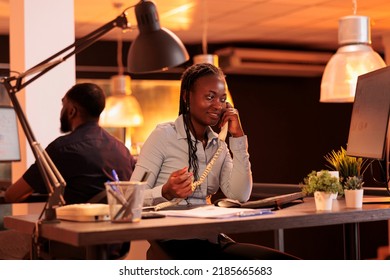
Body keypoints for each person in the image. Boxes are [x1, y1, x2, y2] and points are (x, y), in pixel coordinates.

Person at [130, 63, 298, 260]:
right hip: (175, 245)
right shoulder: (164, 136)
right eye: (209, 97)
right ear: (186, 97)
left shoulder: (218, 145)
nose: (218, 105)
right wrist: (165, 192)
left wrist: (237, 138)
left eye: (222, 99)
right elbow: (130, 198)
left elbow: (240, 194)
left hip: (211, 239)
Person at [3, 82, 135, 259]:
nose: (62, 111)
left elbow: (13, 195)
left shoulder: (62, 148)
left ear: (72, 110)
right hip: (114, 246)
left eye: (63, 104)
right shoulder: (122, 150)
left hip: (68, 245)